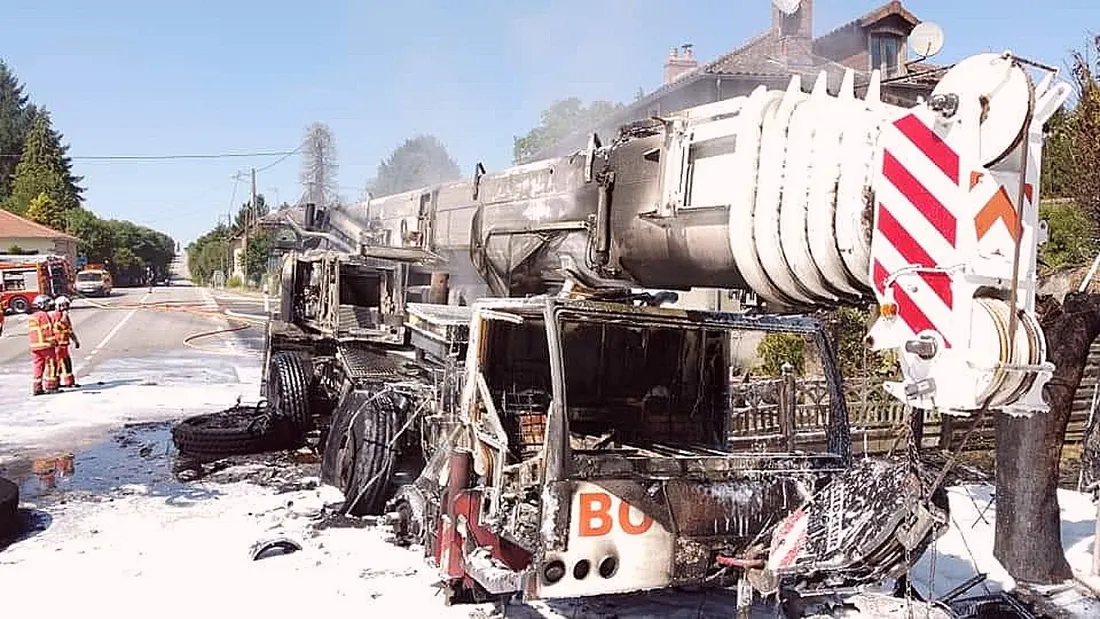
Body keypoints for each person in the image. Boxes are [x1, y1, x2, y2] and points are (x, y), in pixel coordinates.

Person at [27, 294, 59, 395]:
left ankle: (37, 388)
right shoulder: (43, 315)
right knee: (52, 365)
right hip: (46, 345)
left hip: (35, 346)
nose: (48, 307)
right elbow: (47, 330)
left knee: (38, 366)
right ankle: (51, 386)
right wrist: (54, 341)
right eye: (47, 305)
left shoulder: (32, 317)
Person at [50, 295, 80, 388]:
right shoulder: (55, 316)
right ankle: (54, 383)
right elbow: (58, 326)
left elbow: (69, 330)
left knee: (67, 363)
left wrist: (75, 341)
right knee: (57, 365)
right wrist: (64, 317)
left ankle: (69, 382)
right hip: (57, 345)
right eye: (63, 306)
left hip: (64, 345)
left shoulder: (65, 317)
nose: (65, 308)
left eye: (66, 305)